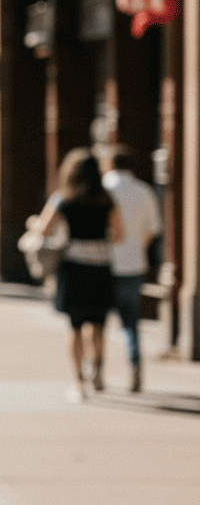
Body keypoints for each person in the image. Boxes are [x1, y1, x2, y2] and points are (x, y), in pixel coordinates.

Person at [31, 147, 123, 402]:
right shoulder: (107, 199)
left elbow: (44, 229)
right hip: (102, 266)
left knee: (75, 325)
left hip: (74, 267)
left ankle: (78, 382)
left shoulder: (63, 198)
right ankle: (98, 373)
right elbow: (119, 234)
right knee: (98, 325)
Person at [100, 147, 161, 393]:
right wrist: (136, 247)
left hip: (104, 263)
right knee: (131, 321)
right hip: (134, 264)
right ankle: (135, 368)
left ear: (109, 164)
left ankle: (96, 370)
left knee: (98, 321)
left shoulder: (102, 188)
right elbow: (153, 229)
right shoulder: (144, 190)